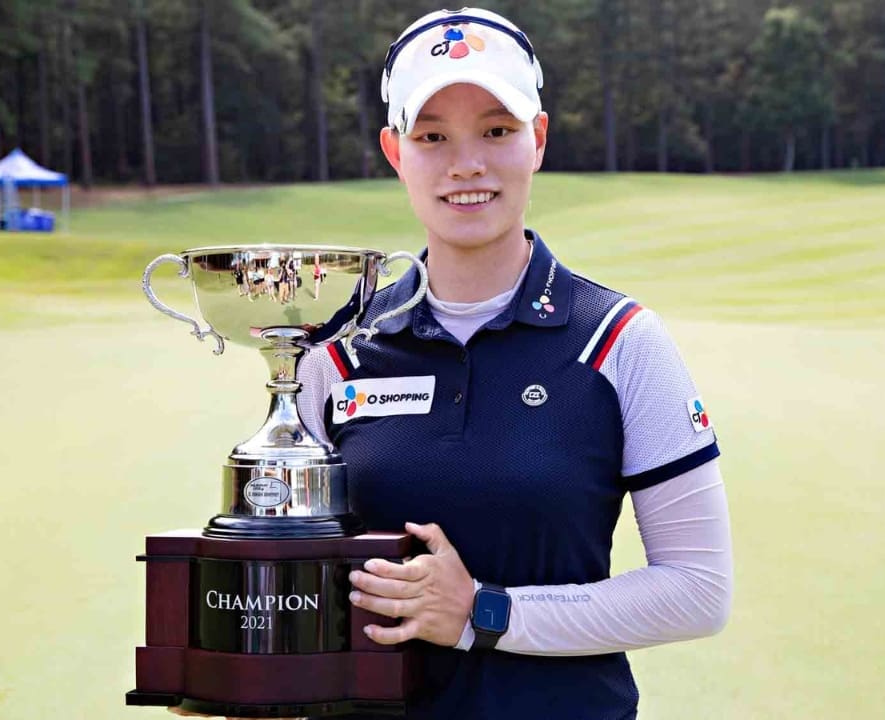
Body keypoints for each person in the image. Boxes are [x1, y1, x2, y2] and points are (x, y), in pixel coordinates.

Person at [177, 7, 732, 720]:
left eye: (496, 131)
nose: (466, 164)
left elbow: (697, 589)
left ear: (537, 139)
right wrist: (240, 668)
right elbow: (297, 576)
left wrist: (483, 614)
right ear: (394, 151)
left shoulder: (619, 340)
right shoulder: (334, 353)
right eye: (432, 136)